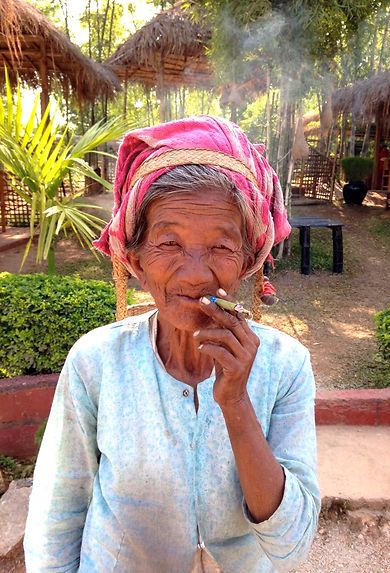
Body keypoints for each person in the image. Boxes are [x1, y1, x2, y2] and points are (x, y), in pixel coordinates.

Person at [24, 116, 320, 573]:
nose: (196, 273)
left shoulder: (287, 366)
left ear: (247, 261)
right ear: (137, 260)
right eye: (169, 243)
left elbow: (292, 545)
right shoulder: (96, 363)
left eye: (221, 247)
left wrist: (236, 402)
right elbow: (57, 513)